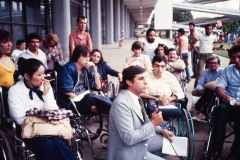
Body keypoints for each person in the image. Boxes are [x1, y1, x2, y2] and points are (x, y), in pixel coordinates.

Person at [8, 58, 75, 160]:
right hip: (29, 129)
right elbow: (18, 119)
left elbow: (54, 111)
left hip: (49, 126)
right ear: (27, 76)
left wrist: (47, 94)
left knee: (59, 142)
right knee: (47, 144)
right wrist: (40, 115)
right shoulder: (15, 91)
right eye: (39, 75)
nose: (43, 78)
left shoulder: (45, 87)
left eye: (43, 74)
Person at [107, 65, 174, 160]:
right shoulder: (121, 104)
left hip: (138, 143)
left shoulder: (136, 96)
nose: (146, 82)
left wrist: (160, 130)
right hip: (127, 152)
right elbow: (129, 138)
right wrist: (153, 123)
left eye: (145, 78)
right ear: (129, 82)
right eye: (141, 79)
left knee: (169, 143)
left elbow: (145, 121)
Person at [59, 44, 112, 115]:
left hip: (87, 100)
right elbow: (68, 92)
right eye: (84, 56)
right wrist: (84, 101)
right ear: (77, 56)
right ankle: (112, 106)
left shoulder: (86, 69)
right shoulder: (68, 69)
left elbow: (98, 87)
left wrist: (95, 70)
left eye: (88, 57)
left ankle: (112, 105)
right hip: (74, 102)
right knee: (89, 96)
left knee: (114, 99)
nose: (87, 59)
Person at [209, 45, 240, 160]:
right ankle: (216, 149)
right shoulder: (229, 69)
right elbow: (219, 87)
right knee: (220, 110)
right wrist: (226, 97)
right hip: (229, 104)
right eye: (233, 58)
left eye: (239, 57)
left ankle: (235, 152)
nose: (236, 60)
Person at [189, 56, 223, 121]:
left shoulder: (222, 71)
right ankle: (198, 109)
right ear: (208, 64)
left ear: (219, 64)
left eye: (215, 63)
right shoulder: (205, 72)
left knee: (212, 91)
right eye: (211, 63)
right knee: (208, 90)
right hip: (206, 91)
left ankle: (203, 112)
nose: (213, 64)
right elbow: (199, 84)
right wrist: (201, 89)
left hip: (219, 92)